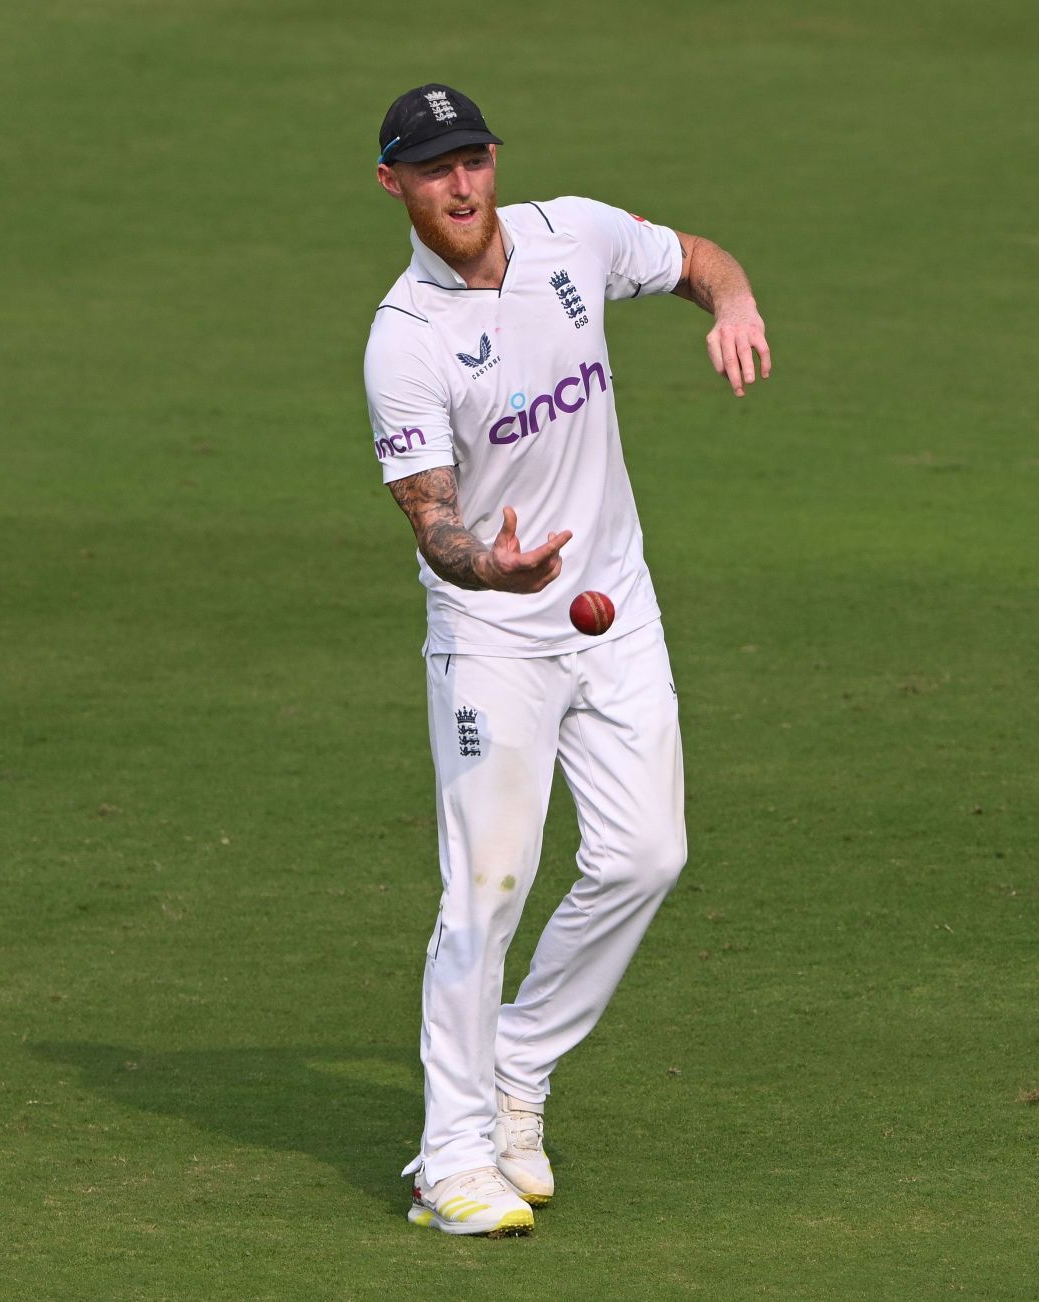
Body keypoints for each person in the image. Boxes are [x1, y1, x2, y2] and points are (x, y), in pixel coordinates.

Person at [363, 83, 770, 1237]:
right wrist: (492, 571)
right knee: (486, 892)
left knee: (648, 855)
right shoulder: (406, 341)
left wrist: (729, 302)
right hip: (495, 633)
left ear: (495, 162)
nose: (460, 184)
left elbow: (695, 255)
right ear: (392, 183)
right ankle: (451, 1165)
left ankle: (518, 1071)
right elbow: (431, 522)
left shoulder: (572, 236)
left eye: (473, 159)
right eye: (433, 168)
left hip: (616, 606)